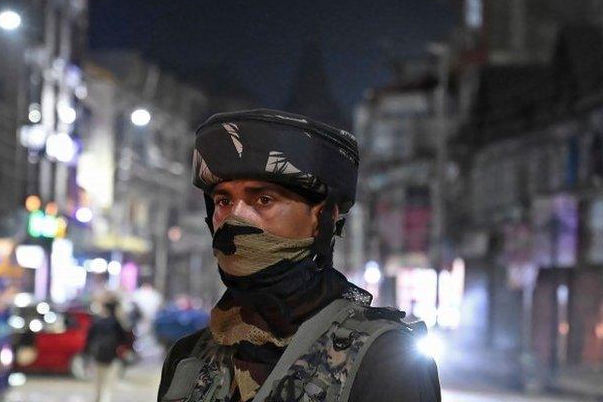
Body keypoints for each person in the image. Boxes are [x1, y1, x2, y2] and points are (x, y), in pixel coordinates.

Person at [158, 109, 441, 401]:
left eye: (263, 200)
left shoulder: (385, 360)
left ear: (324, 218)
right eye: (223, 200)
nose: (235, 219)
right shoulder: (188, 358)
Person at [87, 296, 128, 402]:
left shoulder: (98, 321)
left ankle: (98, 399)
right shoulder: (117, 323)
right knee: (107, 384)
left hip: (98, 356)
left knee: (98, 382)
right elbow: (124, 339)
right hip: (111, 357)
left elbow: (89, 339)